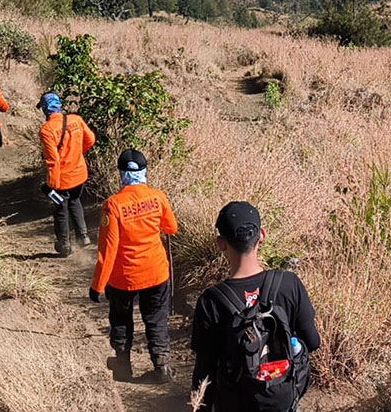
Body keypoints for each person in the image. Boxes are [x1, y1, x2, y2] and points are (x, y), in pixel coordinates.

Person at [191, 202, 320, 412]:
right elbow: (313, 342)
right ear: (262, 235)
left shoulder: (211, 301)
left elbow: (205, 370)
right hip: (282, 400)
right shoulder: (289, 284)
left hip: (235, 403)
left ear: (221, 243)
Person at [89, 149, 178, 384]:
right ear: (144, 171)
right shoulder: (158, 197)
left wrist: (98, 286)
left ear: (121, 173)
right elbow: (171, 228)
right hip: (156, 273)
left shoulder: (113, 205)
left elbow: (108, 250)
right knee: (156, 320)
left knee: (121, 320)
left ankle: (122, 367)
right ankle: (161, 366)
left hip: (124, 278)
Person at [37, 92, 96, 257]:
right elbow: (91, 140)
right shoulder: (76, 120)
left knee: (60, 209)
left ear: (45, 109)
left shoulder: (47, 130)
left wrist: (52, 185)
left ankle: (64, 245)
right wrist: (76, 154)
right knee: (75, 201)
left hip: (62, 178)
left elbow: (53, 160)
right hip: (80, 173)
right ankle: (83, 236)